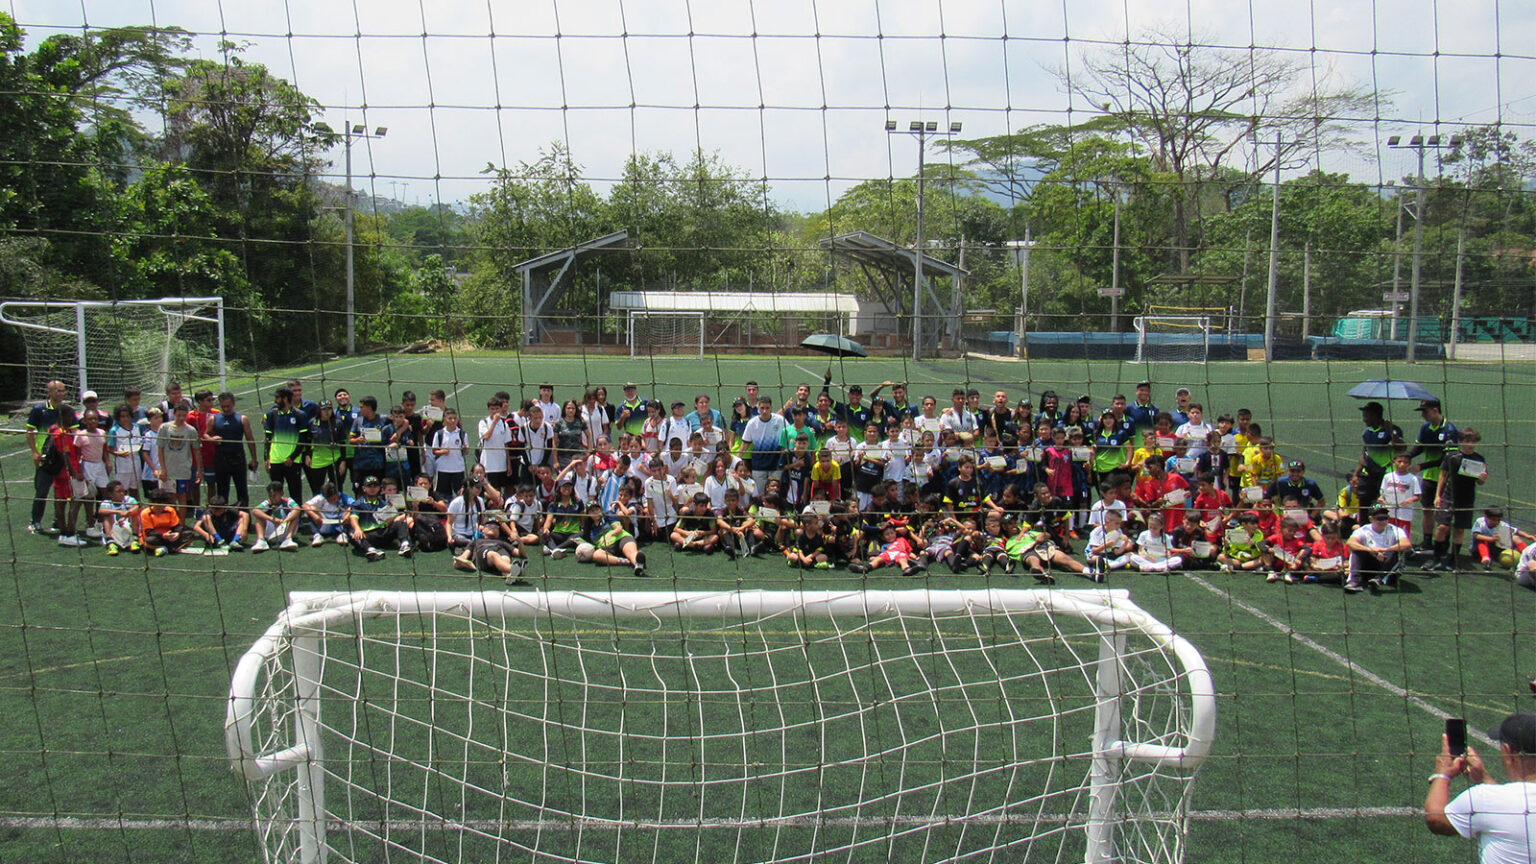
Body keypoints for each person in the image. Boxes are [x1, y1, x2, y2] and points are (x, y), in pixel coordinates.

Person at [1425, 711, 1536, 864]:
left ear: (1508, 751)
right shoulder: (1494, 799)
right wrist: (1484, 778)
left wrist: (1442, 775)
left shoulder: (1485, 798)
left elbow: (1436, 820)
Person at [25, 379, 79, 536]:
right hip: (46, 458)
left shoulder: (68, 410)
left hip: (64, 458)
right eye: (57, 391)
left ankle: (58, 521)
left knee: (62, 492)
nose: (61, 394)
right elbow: (29, 432)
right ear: (49, 392)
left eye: (63, 391)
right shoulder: (39, 410)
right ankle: (35, 521)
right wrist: (35, 452)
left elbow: (74, 433)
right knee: (42, 491)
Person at [1431, 427, 1487, 573]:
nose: (1470, 444)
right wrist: (1438, 495)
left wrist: (1482, 479)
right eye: (1467, 441)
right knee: (1442, 527)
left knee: (1460, 529)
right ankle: (1436, 558)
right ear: (1461, 441)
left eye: (1473, 441)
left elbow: (1480, 481)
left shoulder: (1479, 459)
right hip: (1449, 496)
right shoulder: (1452, 456)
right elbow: (1443, 476)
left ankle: (1453, 561)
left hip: (1467, 499)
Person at [1406, 398, 1458, 552]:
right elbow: (1419, 447)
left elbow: (1447, 459)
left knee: (1443, 513)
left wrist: (1421, 466)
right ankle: (1427, 542)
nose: (1423, 415)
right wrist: (1406, 457)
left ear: (1435, 410)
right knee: (1427, 509)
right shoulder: (1425, 428)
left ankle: (1442, 546)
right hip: (1429, 477)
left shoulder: (1450, 430)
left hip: (1445, 478)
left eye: (1425, 411)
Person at [1344, 506, 1411, 593]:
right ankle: (1353, 581)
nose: (1383, 521)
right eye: (1379, 518)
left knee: (1400, 551)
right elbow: (1350, 543)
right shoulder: (1363, 530)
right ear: (1371, 519)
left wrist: (1386, 549)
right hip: (1370, 564)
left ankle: (1379, 579)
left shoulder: (1395, 530)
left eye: (1385, 518)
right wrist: (1371, 550)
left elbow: (1406, 544)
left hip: (1389, 565)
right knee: (1357, 550)